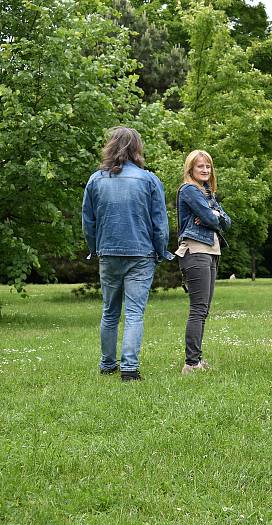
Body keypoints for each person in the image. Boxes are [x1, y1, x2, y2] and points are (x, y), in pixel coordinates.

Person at [82, 126, 173, 382]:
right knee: (134, 313)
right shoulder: (149, 180)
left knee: (109, 311)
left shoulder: (95, 180)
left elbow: (88, 222)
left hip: (108, 252)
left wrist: (94, 248)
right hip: (141, 253)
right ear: (137, 149)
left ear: (110, 146)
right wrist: (160, 250)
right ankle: (129, 369)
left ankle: (107, 364)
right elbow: (160, 224)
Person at [175, 150, 231, 375]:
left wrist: (214, 214)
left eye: (208, 166)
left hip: (210, 251)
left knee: (203, 309)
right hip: (196, 250)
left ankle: (196, 359)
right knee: (198, 309)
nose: (205, 170)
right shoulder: (189, 190)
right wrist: (213, 216)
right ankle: (191, 364)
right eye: (200, 166)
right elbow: (210, 219)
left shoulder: (207, 193)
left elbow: (227, 222)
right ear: (191, 169)